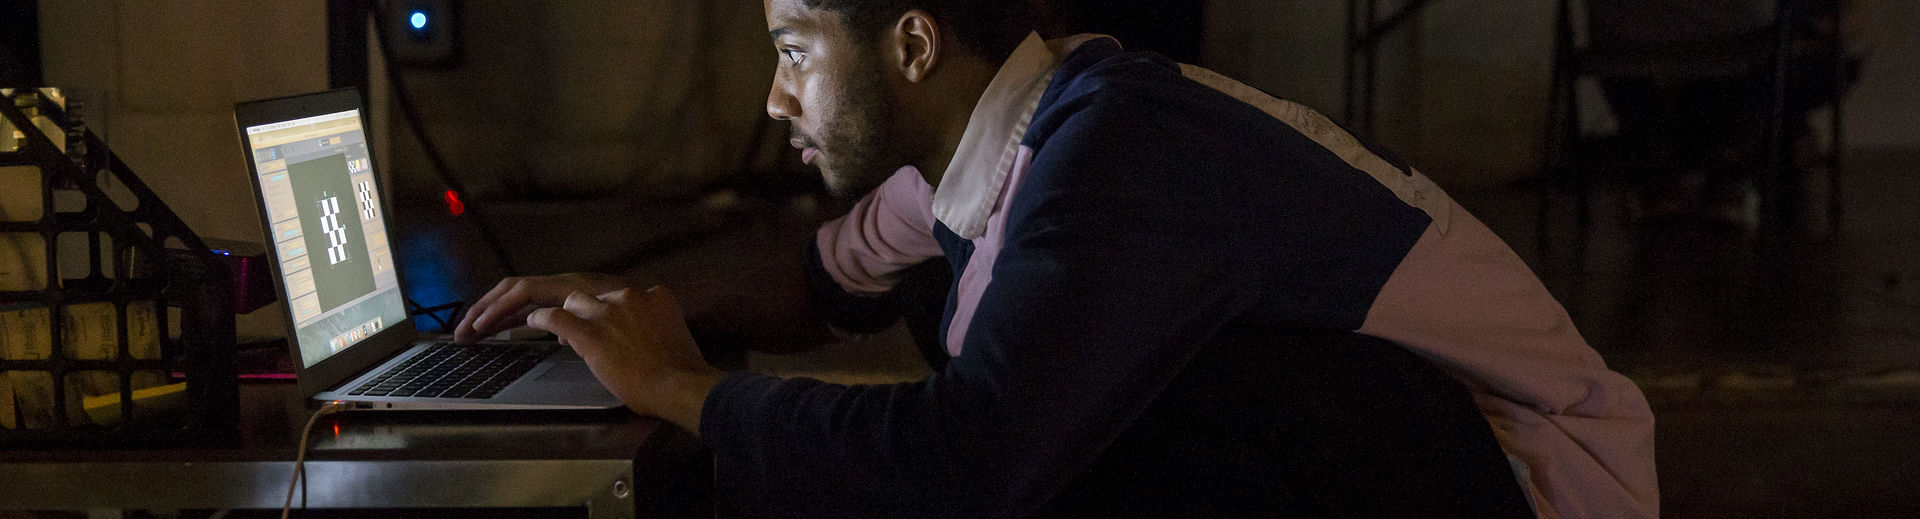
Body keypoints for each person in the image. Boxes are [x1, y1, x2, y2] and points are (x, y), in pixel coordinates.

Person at [456, 0, 1658, 516]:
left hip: (1527, 483)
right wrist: (634, 312)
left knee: (1029, 437)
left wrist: (682, 391)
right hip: (1404, 460)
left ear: (913, 44)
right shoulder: (1008, 135)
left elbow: (967, 467)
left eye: (794, 48)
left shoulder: (1115, 157)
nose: (775, 96)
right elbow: (821, 283)